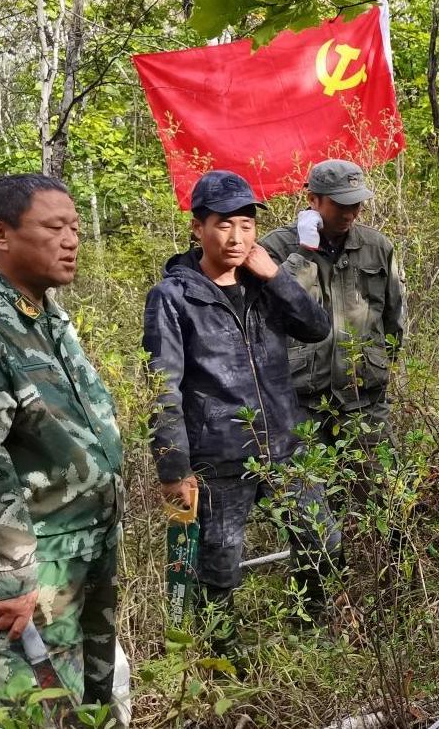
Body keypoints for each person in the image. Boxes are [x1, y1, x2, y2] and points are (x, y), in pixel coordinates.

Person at [0, 174, 124, 713]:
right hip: (31, 565)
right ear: (1, 234)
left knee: (89, 706)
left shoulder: (40, 311)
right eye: (54, 228)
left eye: (75, 228)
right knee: (33, 712)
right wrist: (5, 574)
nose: (71, 241)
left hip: (82, 549)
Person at [143, 171, 339, 627]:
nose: (236, 237)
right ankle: (221, 650)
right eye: (224, 224)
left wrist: (276, 277)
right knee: (219, 568)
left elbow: (317, 329)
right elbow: (163, 386)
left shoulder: (262, 284)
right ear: (198, 228)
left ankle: (309, 629)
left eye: (247, 225)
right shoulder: (174, 296)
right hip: (220, 456)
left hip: (286, 446)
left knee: (323, 542)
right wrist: (174, 467)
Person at [261, 160, 407, 460]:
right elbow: (273, 308)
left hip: (364, 401)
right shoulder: (276, 247)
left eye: (356, 204)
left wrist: (377, 366)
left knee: (378, 485)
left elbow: (393, 320)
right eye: (341, 205)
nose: (350, 214)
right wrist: (304, 252)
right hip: (299, 402)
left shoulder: (377, 246)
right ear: (313, 200)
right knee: (302, 487)